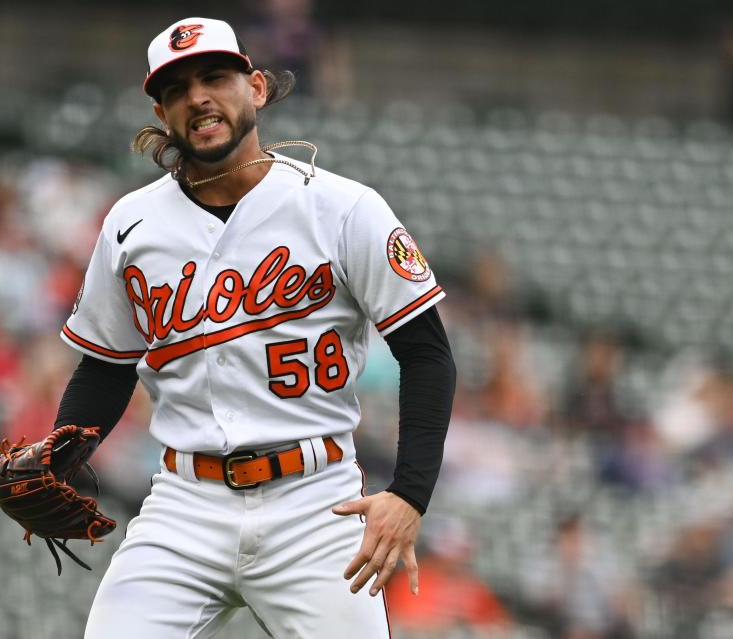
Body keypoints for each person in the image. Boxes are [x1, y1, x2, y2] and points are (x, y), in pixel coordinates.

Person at [55, 17, 456, 637]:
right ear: (163, 113)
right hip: (184, 503)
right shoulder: (132, 224)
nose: (198, 97)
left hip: (315, 503)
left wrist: (409, 494)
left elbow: (428, 355)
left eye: (215, 77)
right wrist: (60, 456)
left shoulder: (343, 208)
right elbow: (106, 369)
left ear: (258, 89)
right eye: (177, 89)